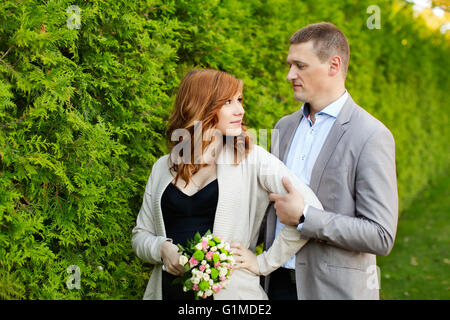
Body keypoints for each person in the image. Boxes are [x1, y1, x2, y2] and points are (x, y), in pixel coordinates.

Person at [131, 68, 323, 300]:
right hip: (167, 294)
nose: (240, 110)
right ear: (202, 105)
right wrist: (161, 249)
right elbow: (141, 235)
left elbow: (310, 209)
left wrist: (264, 262)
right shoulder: (163, 167)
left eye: (240, 100)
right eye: (228, 102)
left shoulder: (252, 159)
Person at [259, 22, 398, 300]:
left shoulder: (371, 135)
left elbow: (380, 235)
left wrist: (305, 217)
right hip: (273, 287)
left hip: (333, 291)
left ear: (334, 66)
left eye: (300, 65)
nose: (290, 75)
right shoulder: (283, 127)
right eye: (290, 64)